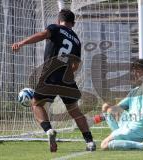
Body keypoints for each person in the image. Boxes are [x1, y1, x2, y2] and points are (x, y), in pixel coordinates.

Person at [12, 9, 96, 152]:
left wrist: (22, 42)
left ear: (58, 20)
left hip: (50, 75)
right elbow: (76, 65)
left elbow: (42, 35)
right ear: (73, 24)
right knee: (74, 110)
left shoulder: (55, 28)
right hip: (67, 78)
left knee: (36, 103)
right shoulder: (76, 40)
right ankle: (90, 142)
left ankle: (49, 130)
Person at [93, 58, 143, 150]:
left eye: (138, 71)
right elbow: (116, 108)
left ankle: (142, 145)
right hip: (131, 123)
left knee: (104, 145)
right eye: (134, 71)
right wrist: (97, 118)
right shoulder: (135, 91)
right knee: (107, 107)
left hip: (137, 128)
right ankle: (121, 135)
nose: (135, 73)